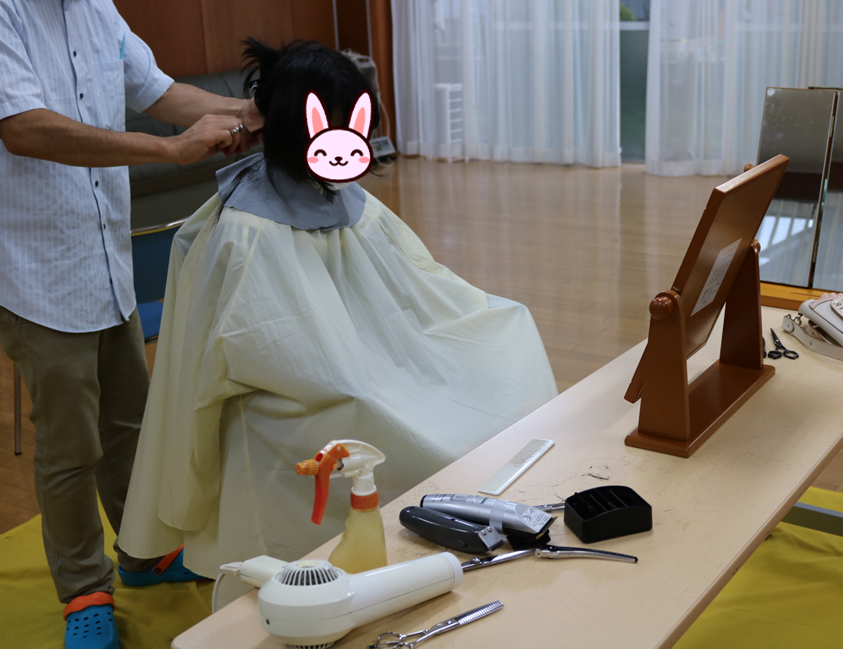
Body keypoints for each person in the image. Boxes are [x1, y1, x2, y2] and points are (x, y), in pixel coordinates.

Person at [117, 39, 559, 581]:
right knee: (362, 400)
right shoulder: (247, 230)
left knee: (506, 325)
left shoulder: (347, 197)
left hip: (365, 359)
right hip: (307, 385)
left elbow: (419, 284)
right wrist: (357, 367)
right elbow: (251, 348)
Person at [0, 2, 263, 648]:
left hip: (105, 260)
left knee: (130, 426)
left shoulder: (95, 8)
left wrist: (256, 111)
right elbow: (24, 128)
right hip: (36, 271)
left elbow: (159, 91)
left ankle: (141, 552)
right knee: (70, 443)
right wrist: (172, 149)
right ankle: (84, 589)